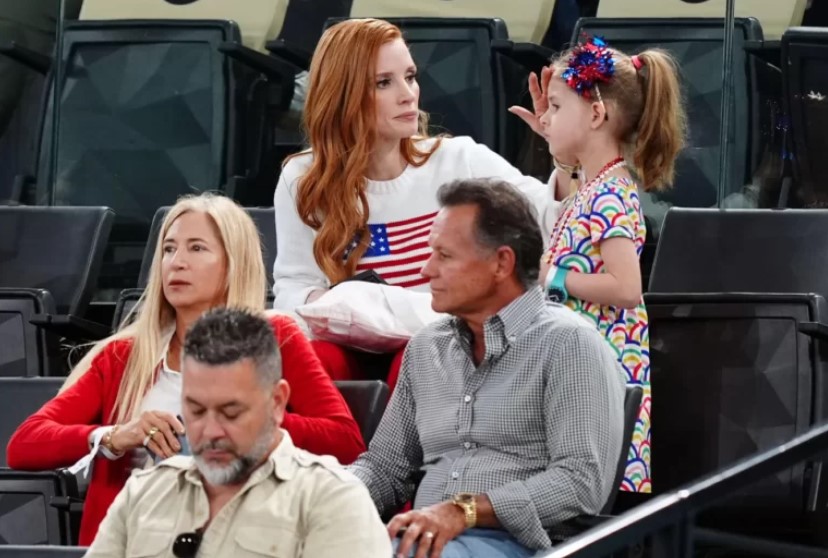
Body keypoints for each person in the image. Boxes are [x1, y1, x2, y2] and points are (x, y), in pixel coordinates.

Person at [7, 193, 365, 546]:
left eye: (197, 248)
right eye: (168, 249)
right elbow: (24, 444)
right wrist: (115, 436)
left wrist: (252, 420)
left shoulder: (276, 337)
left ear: (233, 263)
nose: (176, 262)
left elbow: (344, 441)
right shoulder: (123, 356)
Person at [272, 18, 564, 389]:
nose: (408, 94)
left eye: (410, 77)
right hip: (347, 344)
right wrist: (357, 307)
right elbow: (293, 289)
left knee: (421, 352)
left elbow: (554, 221)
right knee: (304, 357)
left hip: (439, 343)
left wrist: (565, 152)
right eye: (384, 82)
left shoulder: (459, 160)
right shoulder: (302, 177)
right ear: (343, 95)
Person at [349, 178, 626, 557]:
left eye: (444, 256)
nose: (426, 270)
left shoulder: (569, 344)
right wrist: (321, 492)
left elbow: (581, 483)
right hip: (421, 541)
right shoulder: (426, 348)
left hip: (527, 544)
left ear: (501, 263)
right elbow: (385, 469)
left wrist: (464, 511)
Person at [83, 307, 391, 558]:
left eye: (231, 413)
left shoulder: (331, 500)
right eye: (195, 410)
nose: (211, 431)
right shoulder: (143, 493)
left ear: (277, 402)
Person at [531, 37, 687, 494]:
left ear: (596, 114)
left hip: (605, 370)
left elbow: (625, 288)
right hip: (580, 364)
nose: (545, 118)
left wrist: (552, 276)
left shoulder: (611, 193)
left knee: (592, 487)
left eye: (556, 107)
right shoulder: (592, 186)